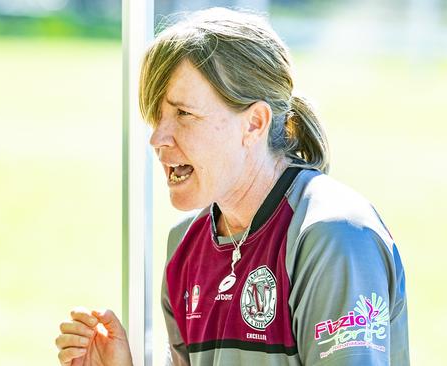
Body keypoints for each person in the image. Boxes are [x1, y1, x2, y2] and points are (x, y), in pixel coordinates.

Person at [56, 7, 409, 366]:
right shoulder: (184, 248)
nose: (157, 138)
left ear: (254, 123)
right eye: (156, 117)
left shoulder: (334, 236)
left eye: (183, 114)